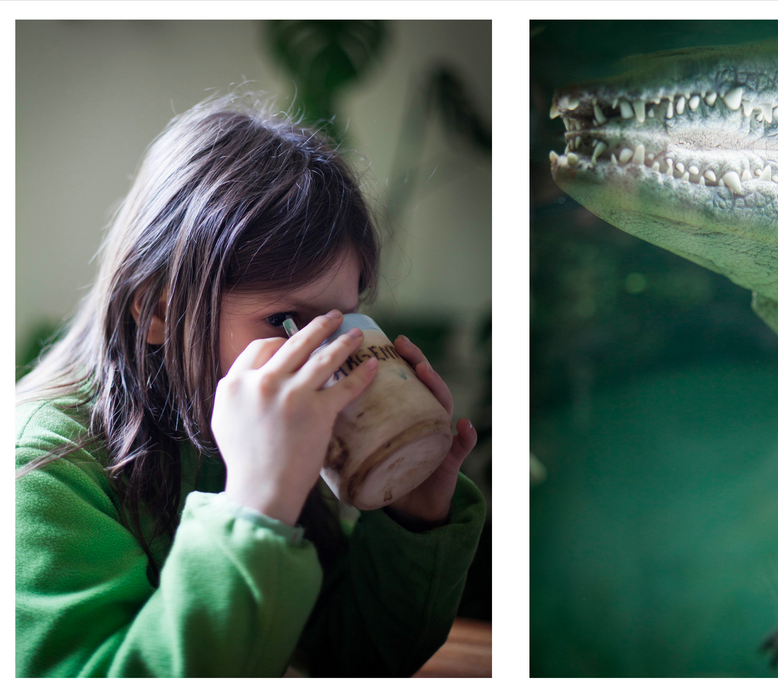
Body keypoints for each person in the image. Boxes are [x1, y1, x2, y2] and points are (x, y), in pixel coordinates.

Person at [15, 94, 486, 677]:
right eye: (287, 323)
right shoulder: (43, 475)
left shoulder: (253, 432)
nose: (325, 355)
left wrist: (412, 519)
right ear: (160, 311)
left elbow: (348, 660)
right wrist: (254, 507)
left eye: (345, 323)